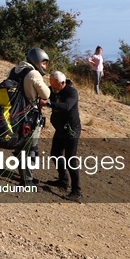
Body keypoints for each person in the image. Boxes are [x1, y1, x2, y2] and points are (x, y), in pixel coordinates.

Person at [9, 47, 51, 184]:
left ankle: (26, 176)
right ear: (37, 61)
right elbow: (46, 94)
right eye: (44, 63)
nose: (44, 66)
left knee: (20, 145)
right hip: (29, 115)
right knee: (31, 147)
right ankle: (27, 180)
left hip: (14, 112)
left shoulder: (15, 70)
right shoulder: (34, 73)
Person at [46, 70, 82, 202]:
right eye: (51, 85)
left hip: (71, 130)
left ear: (63, 83)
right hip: (60, 129)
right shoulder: (53, 90)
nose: (53, 89)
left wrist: (49, 104)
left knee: (70, 160)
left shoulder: (72, 92)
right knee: (55, 154)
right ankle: (63, 180)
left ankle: (76, 191)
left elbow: (66, 106)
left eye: (55, 86)